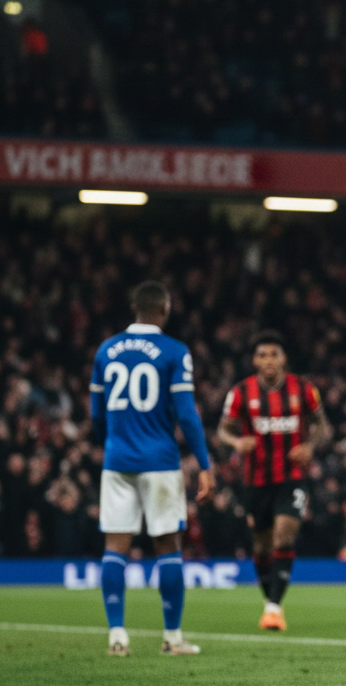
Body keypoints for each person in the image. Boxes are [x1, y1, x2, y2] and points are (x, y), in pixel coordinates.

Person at [90, 281, 215, 656]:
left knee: (115, 547)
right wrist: (204, 463)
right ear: (165, 308)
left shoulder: (106, 350)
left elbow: (96, 413)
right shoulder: (174, 351)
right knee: (168, 546)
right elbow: (187, 414)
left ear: (134, 306)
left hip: (118, 459)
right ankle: (172, 637)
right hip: (159, 460)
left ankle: (117, 636)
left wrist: (109, 443)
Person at [218, 331, 328, 630]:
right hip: (255, 481)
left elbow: (322, 426)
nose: (268, 360)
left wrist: (309, 446)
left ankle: (274, 608)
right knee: (263, 547)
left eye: (274, 354)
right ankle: (270, 601)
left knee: (285, 535)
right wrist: (237, 443)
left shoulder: (303, 389)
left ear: (283, 359)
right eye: (263, 355)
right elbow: (223, 429)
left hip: (292, 477)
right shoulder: (241, 392)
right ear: (255, 360)